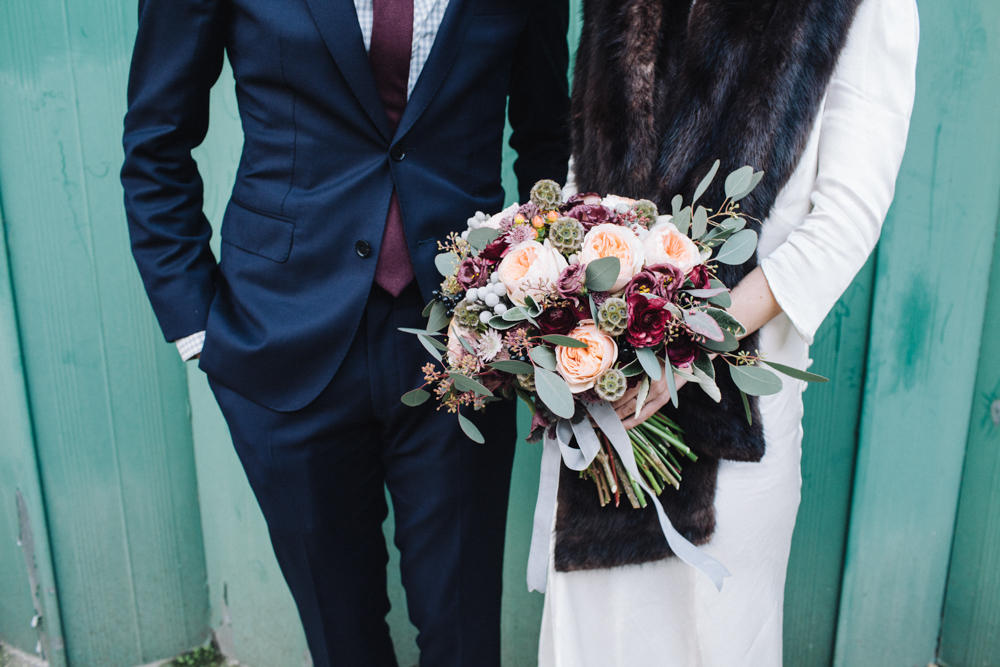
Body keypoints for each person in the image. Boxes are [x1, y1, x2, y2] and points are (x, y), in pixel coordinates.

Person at [120, 1, 570, 665]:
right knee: (341, 637)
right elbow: (156, 144)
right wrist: (197, 326)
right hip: (281, 339)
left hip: (463, 343)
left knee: (464, 634)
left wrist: (534, 295)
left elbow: (547, 135)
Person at [539, 0, 918, 665]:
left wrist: (682, 341)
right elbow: (585, 170)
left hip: (734, 421)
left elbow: (844, 221)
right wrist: (558, 307)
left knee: (710, 639)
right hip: (603, 408)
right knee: (591, 643)